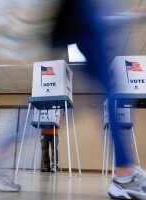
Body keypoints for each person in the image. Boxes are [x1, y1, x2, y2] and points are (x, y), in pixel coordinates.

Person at [51, 0, 146, 199]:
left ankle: (124, 170)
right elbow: (101, 21)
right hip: (79, 18)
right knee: (111, 93)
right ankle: (124, 172)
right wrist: (134, 17)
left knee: (109, 92)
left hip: (78, 21)